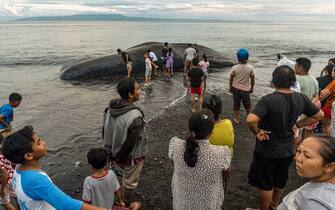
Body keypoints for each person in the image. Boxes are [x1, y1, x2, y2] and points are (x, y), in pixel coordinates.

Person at [245, 65, 324, 210]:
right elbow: (319, 115)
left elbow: (251, 119)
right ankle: (274, 205)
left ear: (274, 81)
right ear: (293, 81)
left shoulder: (267, 100)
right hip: (288, 149)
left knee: (266, 183)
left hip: (267, 149)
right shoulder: (301, 98)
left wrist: (256, 132)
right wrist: (298, 124)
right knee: (280, 180)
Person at [1, 126, 108, 210]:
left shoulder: (19, 169)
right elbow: (66, 204)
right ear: (29, 155)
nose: (44, 143)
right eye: (39, 143)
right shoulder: (36, 180)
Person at [168, 112, 231, 210]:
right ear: (210, 134)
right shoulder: (221, 153)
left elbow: (173, 164)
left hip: (181, 202)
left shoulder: (175, 144)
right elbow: (226, 173)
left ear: (190, 129)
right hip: (208, 204)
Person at [102, 78, 148, 206]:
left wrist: (110, 155)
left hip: (113, 152)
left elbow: (105, 131)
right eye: (138, 89)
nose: (140, 90)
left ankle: (118, 198)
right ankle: (126, 204)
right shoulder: (135, 116)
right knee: (130, 182)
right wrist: (120, 158)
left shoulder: (109, 109)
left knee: (118, 176)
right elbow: (130, 143)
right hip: (130, 157)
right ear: (130, 94)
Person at [277, 135, 335, 210]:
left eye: (307, 156)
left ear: (329, 167)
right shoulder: (321, 183)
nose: (297, 158)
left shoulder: (316, 203)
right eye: (299, 151)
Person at [295, 57, 320, 138]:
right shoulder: (314, 79)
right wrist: (308, 106)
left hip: (298, 110)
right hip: (308, 109)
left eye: (295, 65)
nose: (294, 67)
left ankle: (295, 150)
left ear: (300, 67)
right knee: (301, 131)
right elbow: (316, 96)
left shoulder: (297, 80)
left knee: (296, 133)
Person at [229, 48, 255, 124]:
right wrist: (251, 88)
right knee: (247, 105)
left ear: (238, 58)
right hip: (245, 90)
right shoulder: (250, 68)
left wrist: (231, 87)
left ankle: (237, 119)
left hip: (235, 88)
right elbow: (253, 80)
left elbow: (231, 78)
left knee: (236, 104)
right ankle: (249, 118)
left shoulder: (235, 68)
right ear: (247, 57)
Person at [0, 135, 16, 210]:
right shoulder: (5, 151)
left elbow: (3, 173)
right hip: (12, 177)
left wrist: (2, 189)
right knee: (17, 196)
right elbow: (13, 163)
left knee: (5, 203)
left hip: (3, 183)